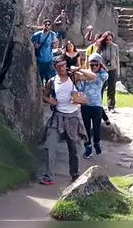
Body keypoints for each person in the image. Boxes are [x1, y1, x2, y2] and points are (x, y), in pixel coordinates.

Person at [38, 56, 94, 185]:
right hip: (57, 116)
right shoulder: (51, 82)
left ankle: (75, 174)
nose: (63, 68)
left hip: (73, 116)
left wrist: (79, 69)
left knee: (73, 149)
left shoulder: (73, 77)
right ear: (55, 67)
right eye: (60, 66)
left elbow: (92, 77)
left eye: (64, 65)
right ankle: (48, 176)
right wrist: (48, 100)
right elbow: (44, 96)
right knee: (49, 146)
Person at [77, 53, 111, 159]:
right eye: (91, 65)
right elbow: (80, 88)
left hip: (96, 105)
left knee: (96, 128)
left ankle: (96, 142)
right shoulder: (85, 76)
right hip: (86, 105)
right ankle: (88, 148)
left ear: (99, 65)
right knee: (86, 128)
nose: (93, 67)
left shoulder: (101, 75)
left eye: (96, 65)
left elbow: (106, 75)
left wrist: (101, 64)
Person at [96, 31, 120, 112]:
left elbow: (117, 59)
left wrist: (118, 71)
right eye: (107, 40)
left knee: (112, 88)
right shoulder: (100, 46)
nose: (109, 41)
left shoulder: (115, 46)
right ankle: (99, 105)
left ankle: (111, 106)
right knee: (101, 87)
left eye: (110, 39)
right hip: (103, 70)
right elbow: (97, 57)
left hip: (112, 69)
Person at [31, 20, 58, 85]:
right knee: (40, 77)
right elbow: (30, 43)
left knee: (50, 78)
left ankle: (49, 92)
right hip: (39, 59)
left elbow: (55, 45)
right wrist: (34, 45)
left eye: (48, 24)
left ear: (50, 26)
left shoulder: (52, 34)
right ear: (43, 25)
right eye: (45, 24)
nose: (47, 26)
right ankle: (41, 91)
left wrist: (54, 45)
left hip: (49, 59)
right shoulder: (37, 35)